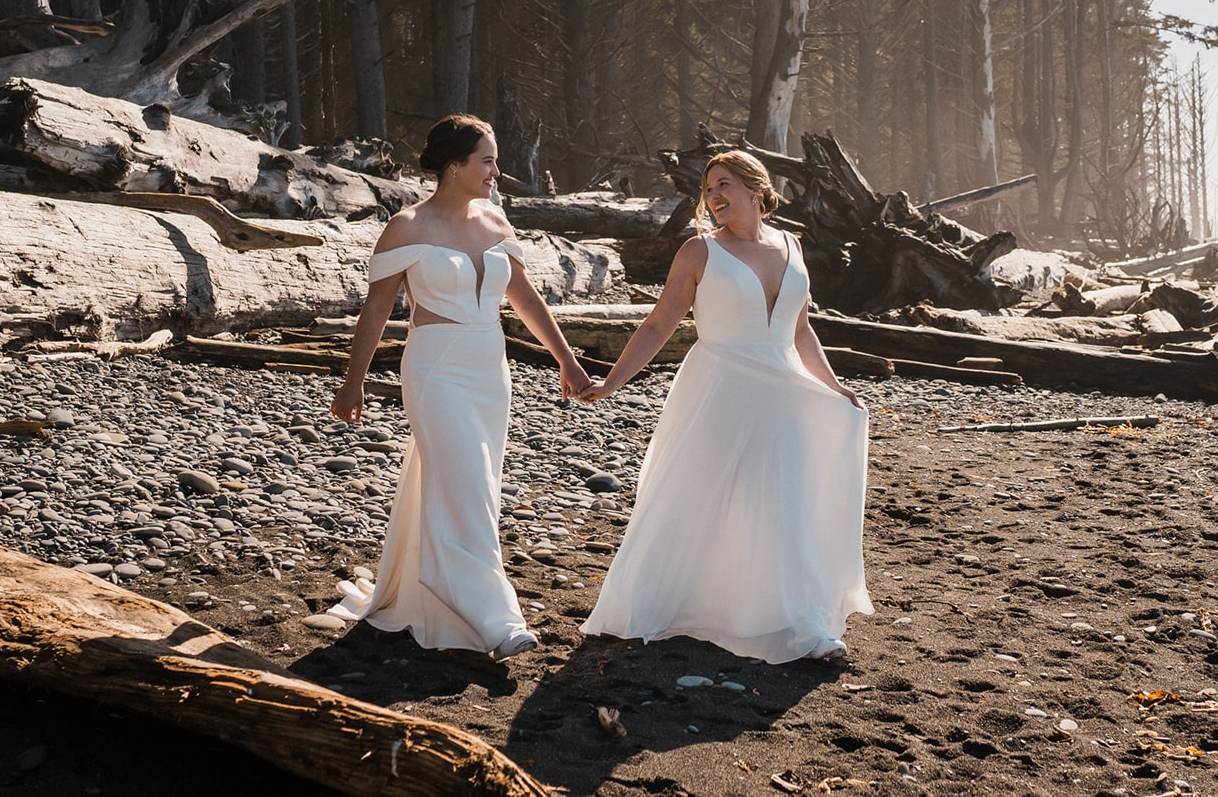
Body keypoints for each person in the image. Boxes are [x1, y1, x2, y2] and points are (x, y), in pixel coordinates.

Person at [577, 150, 872, 663]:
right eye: (708, 189)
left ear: (757, 188)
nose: (714, 197)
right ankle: (683, 604)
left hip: (785, 392)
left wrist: (834, 388)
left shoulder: (792, 244)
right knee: (702, 496)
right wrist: (611, 382)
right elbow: (657, 325)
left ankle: (798, 620)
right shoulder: (698, 252)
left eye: (724, 185)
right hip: (721, 387)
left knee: (785, 500)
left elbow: (801, 331)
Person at [328, 115, 592, 661]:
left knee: (471, 486)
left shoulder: (497, 223)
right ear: (454, 167)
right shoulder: (406, 226)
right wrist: (354, 382)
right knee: (467, 484)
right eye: (488, 161)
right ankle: (497, 621)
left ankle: (428, 585)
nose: (497, 171)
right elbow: (377, 308)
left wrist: (566, 362)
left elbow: (525, 299)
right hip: (435, 370)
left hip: (489, 369)